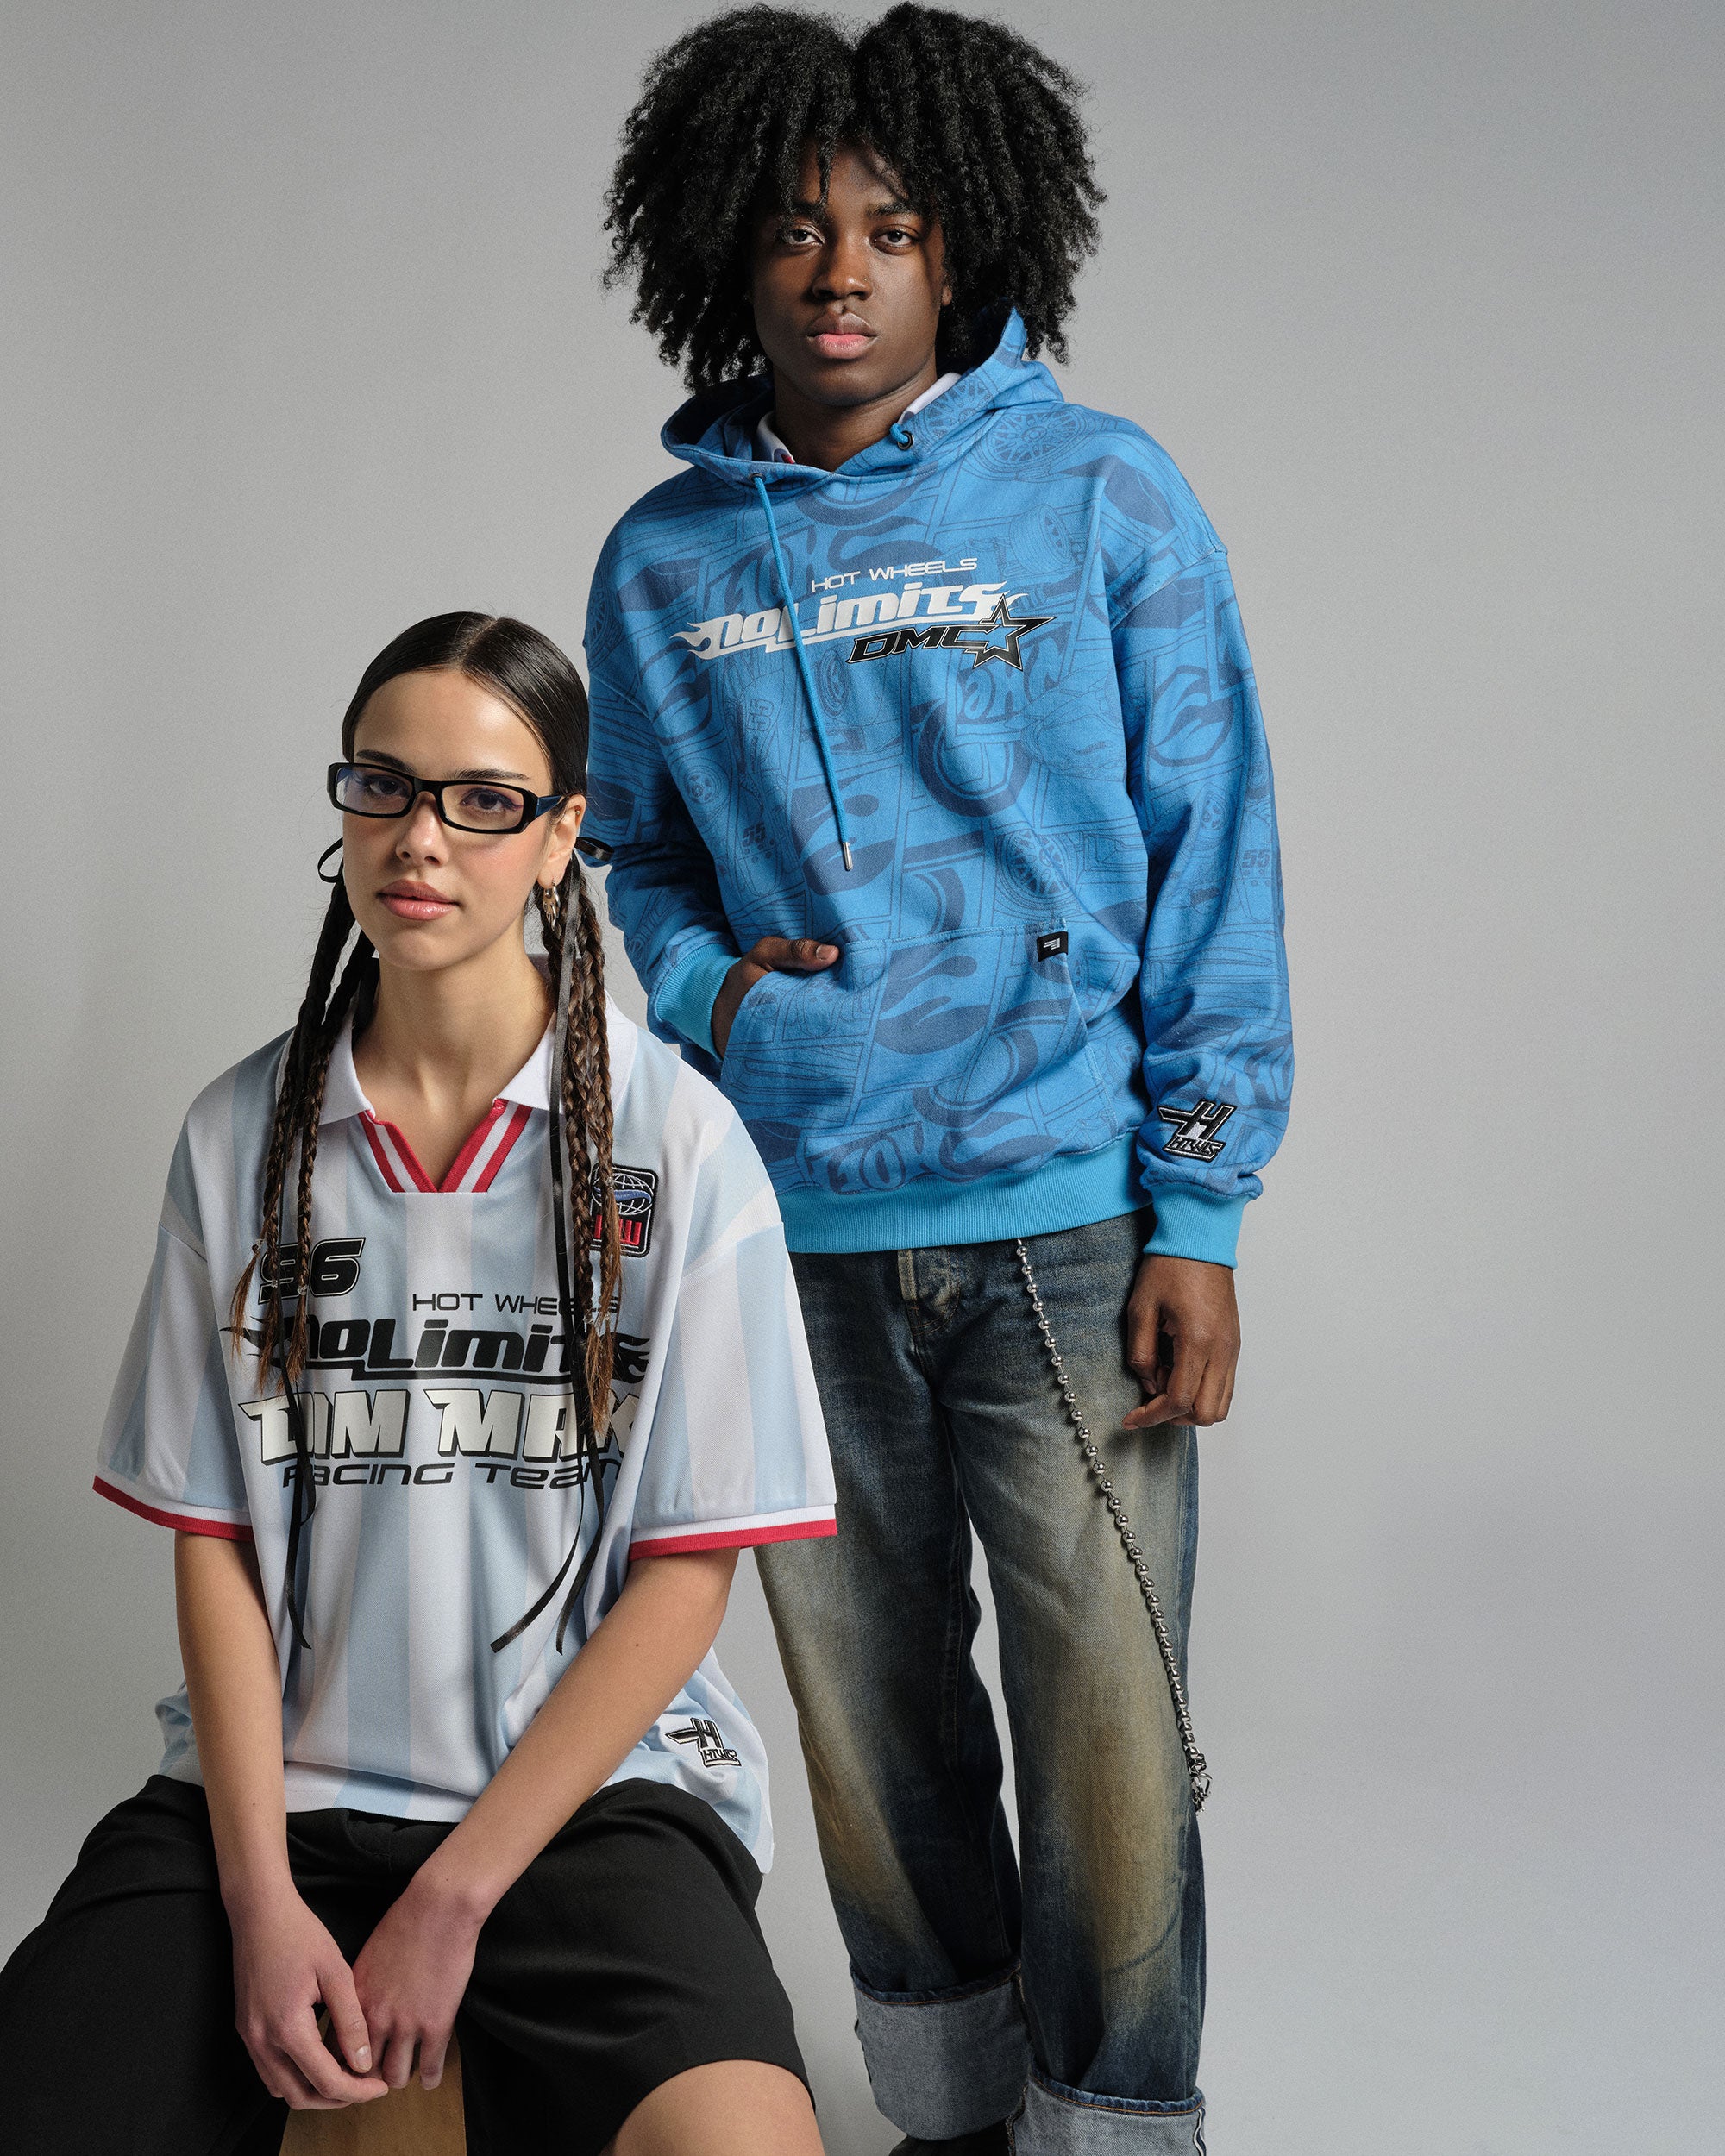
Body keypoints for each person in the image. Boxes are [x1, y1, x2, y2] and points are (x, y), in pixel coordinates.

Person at [586, 9, 1293, 2152]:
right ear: (728, 250)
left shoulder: (1100, 492)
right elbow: (633, 853)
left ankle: (1117, 2130)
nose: (840, 273)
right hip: (789, 1235)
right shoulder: (661, 560)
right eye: (797, 230)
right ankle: (952, 2119)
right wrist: (715, 996)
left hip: (1068, 1222)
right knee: (874, 1737)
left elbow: (1213, 838)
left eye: (890, 230)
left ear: (962, 249)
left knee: (1107, 1739)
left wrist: (1199, 1202)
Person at [0, 613, 834, 2156]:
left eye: (484, 800)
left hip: (588, 1806)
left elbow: (686, 1575)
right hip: (276, 1804)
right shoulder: (240, 1135)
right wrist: (259, 1899)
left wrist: (453, 1899)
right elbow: (213, 1544)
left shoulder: (679, 1143)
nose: (421, 837)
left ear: (563, 835)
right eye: (383, 785)